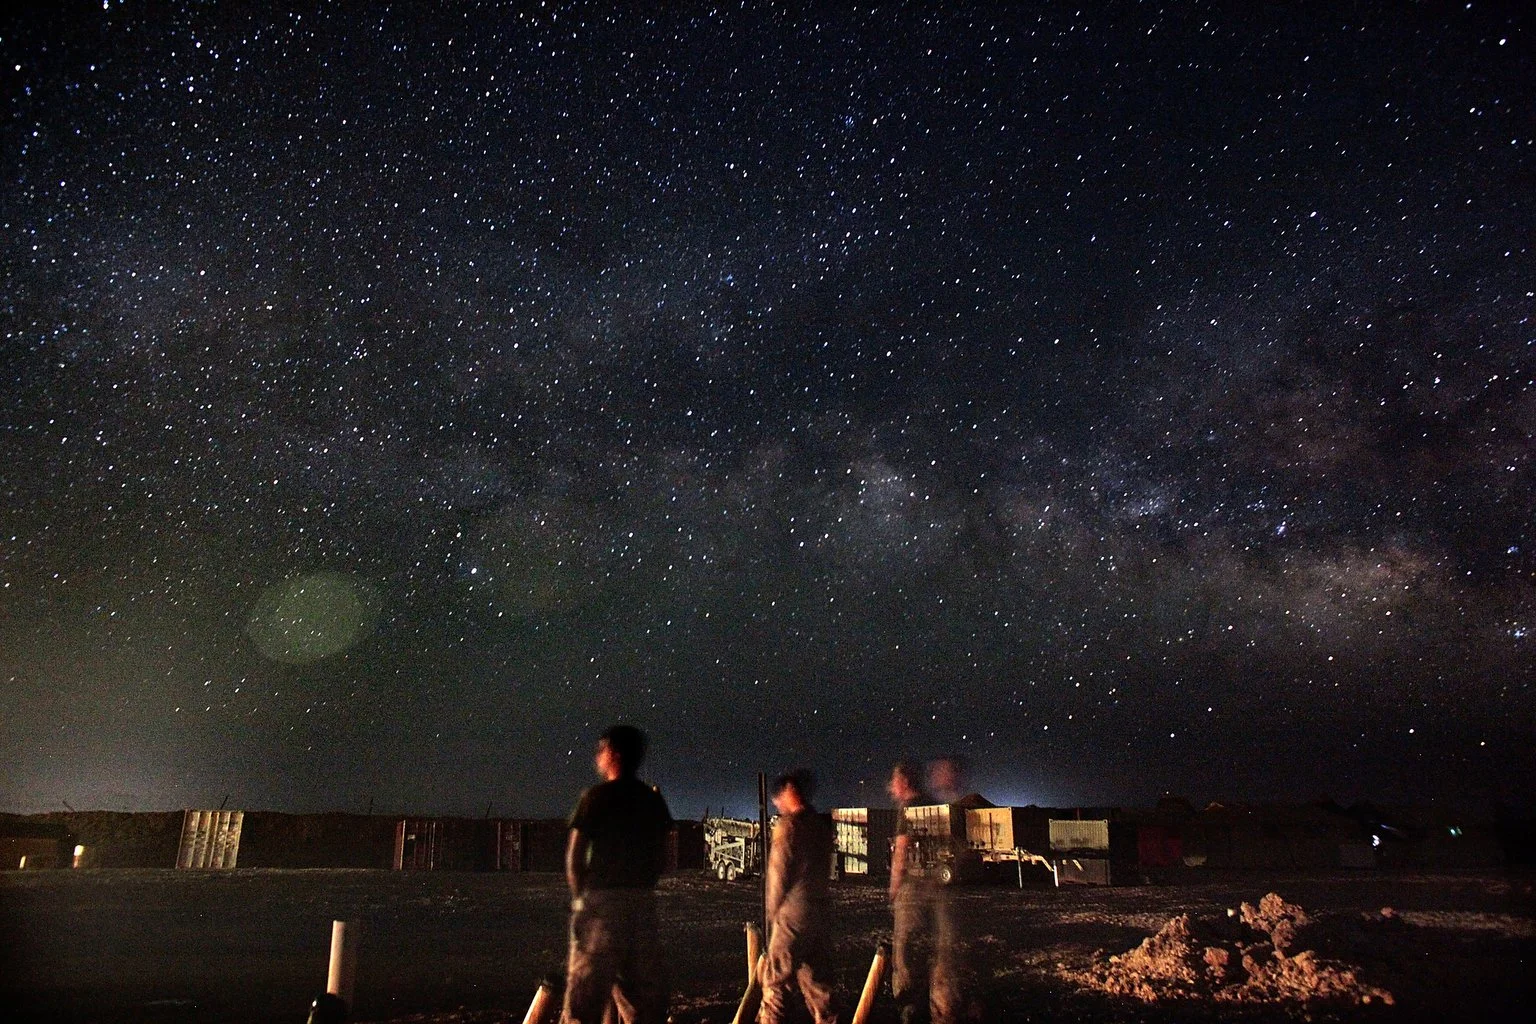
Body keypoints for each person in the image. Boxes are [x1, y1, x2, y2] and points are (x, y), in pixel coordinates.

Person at [562, 724, 673, 1024]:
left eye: (602, 749)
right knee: (642, 1003)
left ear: (614, 753)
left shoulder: (596, 798)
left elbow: (574, 856)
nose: (597, 756)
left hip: (602, 907)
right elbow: (662, 855)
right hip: (642, 907)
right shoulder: (652, 800)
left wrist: (580, 899)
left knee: (584, 1001)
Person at [759, 771, 839, 1024]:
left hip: (793, 915)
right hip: (820, 913)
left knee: (776, 983)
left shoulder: (788, 826)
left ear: (790, 791)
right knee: (819, 986)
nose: (776, 803)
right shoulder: (820, 825)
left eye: (778, 797)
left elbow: (777, 876)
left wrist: (773, 916)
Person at [888, 759, 959, 1024]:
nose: (891, 787)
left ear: (904, 782)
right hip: (938, 890)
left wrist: (894, 887)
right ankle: (942, 1012)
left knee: (905, 951)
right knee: (940, 953)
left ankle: (908, 1010)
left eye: (894, 781)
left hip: (914, 889)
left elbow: (901, 850)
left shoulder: (908, 809)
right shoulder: (933, 805)